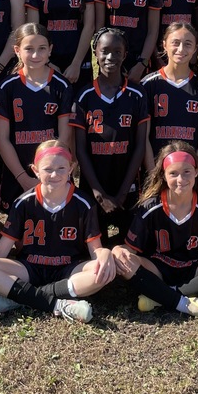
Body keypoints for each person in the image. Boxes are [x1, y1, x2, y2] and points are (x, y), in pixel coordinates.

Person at [0, 140, 115, 323]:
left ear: (71, 168)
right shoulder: (23, 202)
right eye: (47, 169)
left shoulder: (83, 203)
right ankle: (59, 305)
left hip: (69, 269)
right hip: (29, 269)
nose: (54, 174)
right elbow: (0, 251)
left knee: (102, 271)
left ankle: (21, 298)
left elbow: (95, 251)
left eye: (61, 168)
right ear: (35, 170)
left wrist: (105, 254)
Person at [112, 142, 198, 322]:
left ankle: (159, 297)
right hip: (158, 270)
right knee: (123, 261)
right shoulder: (149, 208)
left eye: (186, 172)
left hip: (195, 270)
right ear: (163, 175)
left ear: (197, 172)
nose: (180, 179)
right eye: (173, 173)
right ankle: (187, 303)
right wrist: (118, 250)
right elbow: (132, 250)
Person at [71, 28, 149, 242]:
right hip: (94, 185)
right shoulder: (85, 95)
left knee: (131, 247)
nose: (110, 57)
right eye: (105, 51)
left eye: (117, 51)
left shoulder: (137, 94)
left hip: (128, 185)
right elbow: (80, 149)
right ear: (95, 52)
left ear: (125, 55)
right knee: (96, 249)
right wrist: (98, 193)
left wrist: (123, 192)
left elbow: (140, 146)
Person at [0, 23, 74, 209]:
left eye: (42, 48)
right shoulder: (7, 87)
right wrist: (23, 178)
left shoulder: (62, 86)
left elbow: (64, 138)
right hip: (17, 171)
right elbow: (1, 139)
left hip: (53, 173)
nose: (36, 55)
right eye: (29, 49)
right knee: (18, 231)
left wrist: (50, 174)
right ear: (17, 50)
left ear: (50, 50)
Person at [141, 22, 198, 169]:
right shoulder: (148, 85)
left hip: (189, 174)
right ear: (164, 45)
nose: (181, 49)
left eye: (188, 44)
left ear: (196, 48)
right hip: (155, 169)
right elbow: (143, 138)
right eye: (175, 43)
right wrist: (152, 174)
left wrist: (194, 173)